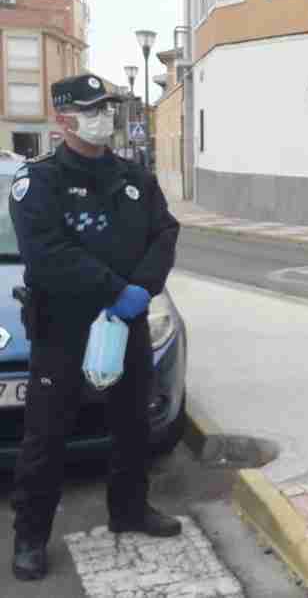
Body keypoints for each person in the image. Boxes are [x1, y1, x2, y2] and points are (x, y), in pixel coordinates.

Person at [10, 74, 182, 581]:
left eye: (108, 106)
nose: (104, 115)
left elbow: (165, 231)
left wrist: (140, 291)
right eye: (92, 108)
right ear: (63, 120)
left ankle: (129, 509)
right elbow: (47, 254)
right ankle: (30, 536)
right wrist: (114, 289)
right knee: (47, 436)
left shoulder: (133, 176)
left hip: (125, 323)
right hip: (63, 330)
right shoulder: (38, 181)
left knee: (131, 423)